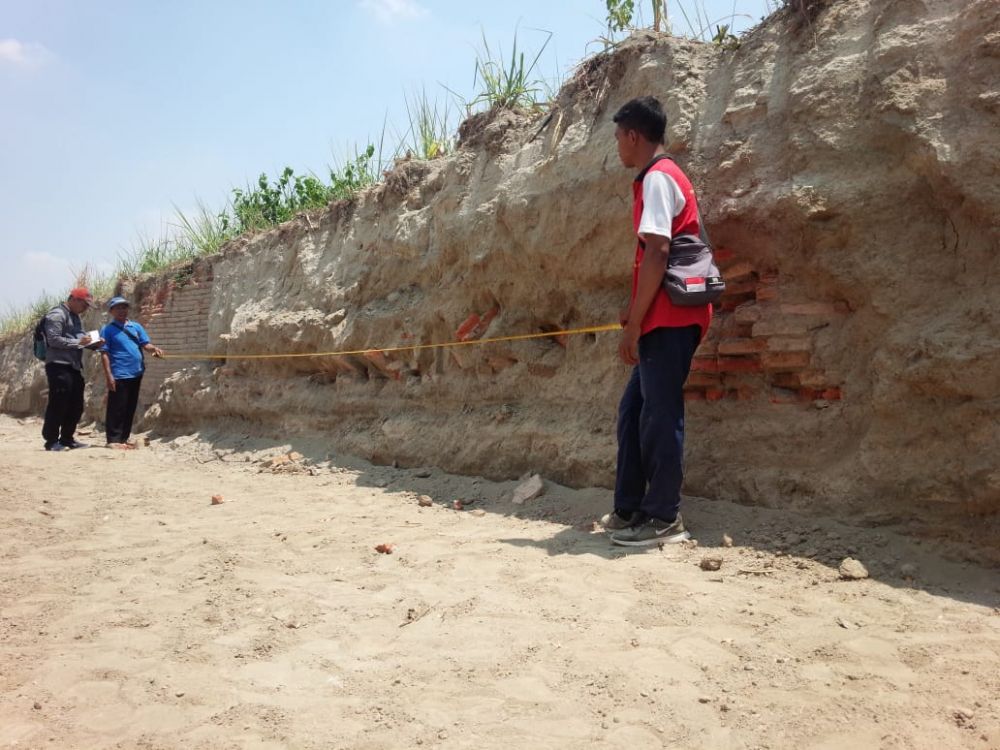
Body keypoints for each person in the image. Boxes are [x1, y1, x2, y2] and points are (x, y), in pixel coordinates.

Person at [601, 96, 713, 547]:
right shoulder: (658, 178)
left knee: (660, 416)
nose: (617, 148)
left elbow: (658, 252)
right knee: (634, 411)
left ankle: (664, 518)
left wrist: (633, 325)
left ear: (633, 135)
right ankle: (629, 508)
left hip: (670, 318)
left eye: (618, 139)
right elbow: (652, 257)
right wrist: (634, 312)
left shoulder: (658, 178)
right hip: (659, 316)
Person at [99, 296, 163, 448]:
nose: (122, 310)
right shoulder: (107, 330)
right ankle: (113, 440)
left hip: (136, 373)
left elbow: (145, 344)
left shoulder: (136, 327)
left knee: (130, 407)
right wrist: (109, 376)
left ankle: (124, 438)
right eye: (118, 308)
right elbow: (104, 354)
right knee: (117, 408)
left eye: (124, 307)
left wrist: (154, 349)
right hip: (119, 374)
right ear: (111, 311)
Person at [41, 287, 97, 451]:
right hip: (58, 365)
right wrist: (79, 343)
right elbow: (53, 340)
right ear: (74, 299)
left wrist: (94, 343)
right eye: (85, 305)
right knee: (58, 404)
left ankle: (67, 439)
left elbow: (80, 336)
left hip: (73, 366)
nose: (86, 309)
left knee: (76, 404)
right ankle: (51, 441)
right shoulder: (57, 315)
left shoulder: (75, 317)